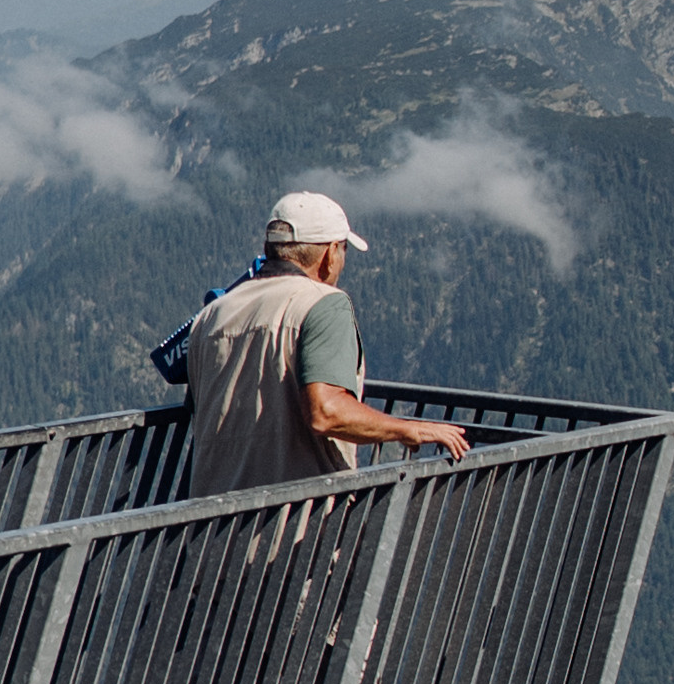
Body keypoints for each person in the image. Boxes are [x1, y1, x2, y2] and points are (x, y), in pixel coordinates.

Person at [184, 191, 471, 493]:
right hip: (295, 522)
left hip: (211, 522)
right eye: (344, 249)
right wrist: (406, 429)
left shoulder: (213, 313)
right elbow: (326, 412)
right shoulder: (323, 303)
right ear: (330, 253)